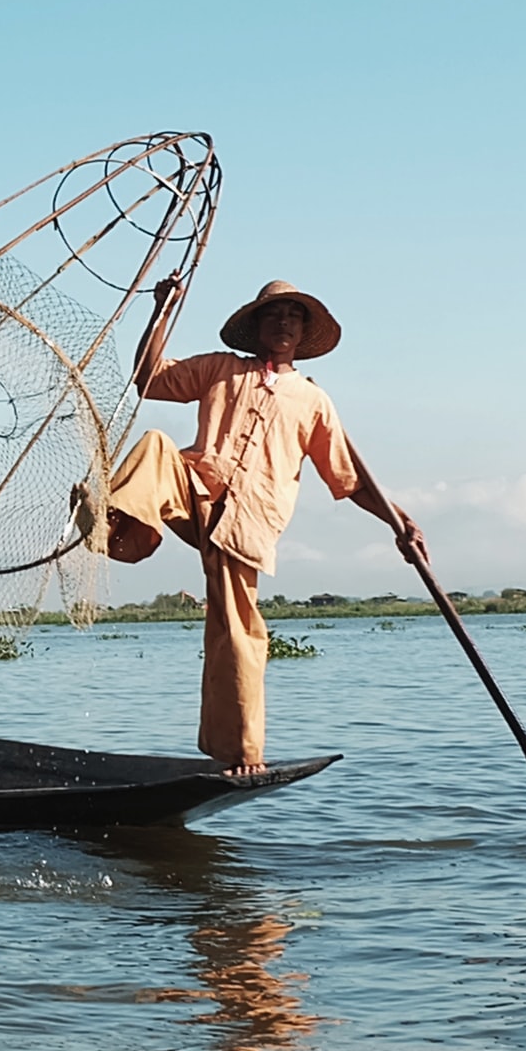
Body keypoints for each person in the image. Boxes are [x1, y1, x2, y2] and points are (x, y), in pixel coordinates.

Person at [79, 278, 425, 771]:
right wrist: (161, 311)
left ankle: (241, 753)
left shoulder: (312, 400)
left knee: (237, 634)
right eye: (274, 315)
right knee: (156, 444)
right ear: (257, 327)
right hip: (194, 489)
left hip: (248, 522)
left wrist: (401, 521)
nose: (284, 323)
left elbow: (349, 479)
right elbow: (149, 377)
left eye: (293, 317)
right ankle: (110, 526)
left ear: (302, 331)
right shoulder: (221, 369)